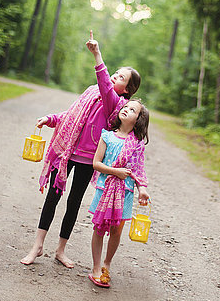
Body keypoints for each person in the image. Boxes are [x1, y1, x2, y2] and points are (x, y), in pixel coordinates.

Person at [21, 31, 141, 268]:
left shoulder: (116, 104)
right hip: (66, 154)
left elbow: (105, 86)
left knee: (73, 203)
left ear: (127, 90)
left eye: (120, 77)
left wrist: (97, 54)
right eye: (115, 73)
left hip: (88, 160)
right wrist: (51, 118)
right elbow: (72, 116)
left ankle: (61, 249)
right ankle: (38, 245)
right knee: (52, 198)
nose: (114, 77)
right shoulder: (91, 91)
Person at [88, 98, 150, 288]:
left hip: (126, 192)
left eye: (132, 110)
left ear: (138, 120)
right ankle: (96, 266)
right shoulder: (107, 136)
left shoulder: (137, 143)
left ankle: (107, 263)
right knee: (99, 228)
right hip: (104, 188)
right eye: (125, 107)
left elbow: (139, 169)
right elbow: (96, 164)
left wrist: (143, 189)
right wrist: (115, 172)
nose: (126, 110)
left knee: (116, 230)